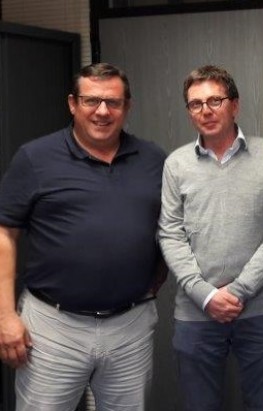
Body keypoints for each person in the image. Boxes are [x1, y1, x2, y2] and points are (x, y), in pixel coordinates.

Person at [0, 63, 166, 410]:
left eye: (113, 102)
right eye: (92, 101)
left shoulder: (154, 160)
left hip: (130, 327)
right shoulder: (35, 158)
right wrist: (5, 316)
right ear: (73, 104)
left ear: (127, 106)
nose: (102, 111)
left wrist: (155, 278)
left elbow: (171, 229)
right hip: (52, 328)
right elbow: (5, 233)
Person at [158, 65, 263, 411]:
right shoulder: (176, 164)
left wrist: (238, 291)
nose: (205, 110)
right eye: (196, 104)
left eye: (215, 101)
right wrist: (205, 295)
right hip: (196, 311)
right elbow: (170, 232)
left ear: (234, 105)